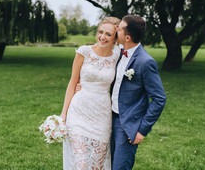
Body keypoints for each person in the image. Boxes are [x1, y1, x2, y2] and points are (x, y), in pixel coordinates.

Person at [60, 17, 121, 170]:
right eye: (100, 32)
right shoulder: (84, 52)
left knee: (96, 165)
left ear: (115, 38)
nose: (102, 37)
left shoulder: (118, 55)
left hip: (102, 114)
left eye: (108, 34)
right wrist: (63, 115)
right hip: (79, 111)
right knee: (81, 164)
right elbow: (72, 83)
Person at [110, 15, 166, 170]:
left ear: (127, 37)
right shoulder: (118, 54)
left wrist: (142, 129)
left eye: (120, 28)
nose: (116, 29)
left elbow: (159, 98)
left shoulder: (145, 62)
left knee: (120, 167)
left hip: (127, 125)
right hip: (108, 119)